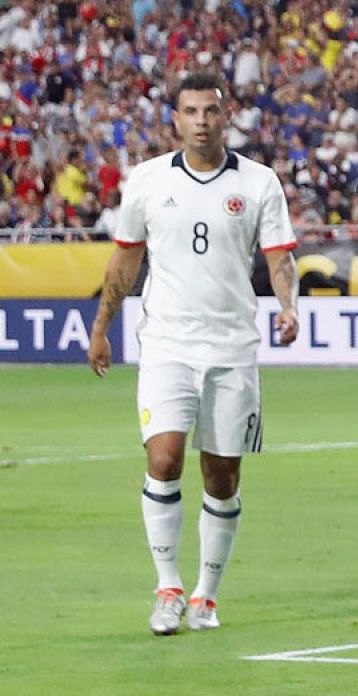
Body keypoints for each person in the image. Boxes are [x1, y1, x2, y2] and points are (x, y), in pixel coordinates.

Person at [87, 71, 300, 636]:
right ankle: (168, 588)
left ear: (226, 116)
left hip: (232, 347)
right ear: (175, 119)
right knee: (164, 459)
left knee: (223, 475)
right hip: (167, 343)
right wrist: (103, 324)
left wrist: (288, 306)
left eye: (211, 110)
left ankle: (206, 595)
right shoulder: (149, 180)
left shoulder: (259, 184)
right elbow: (125, 261)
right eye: (191, 111)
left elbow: (279, 256)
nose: (201, 121)